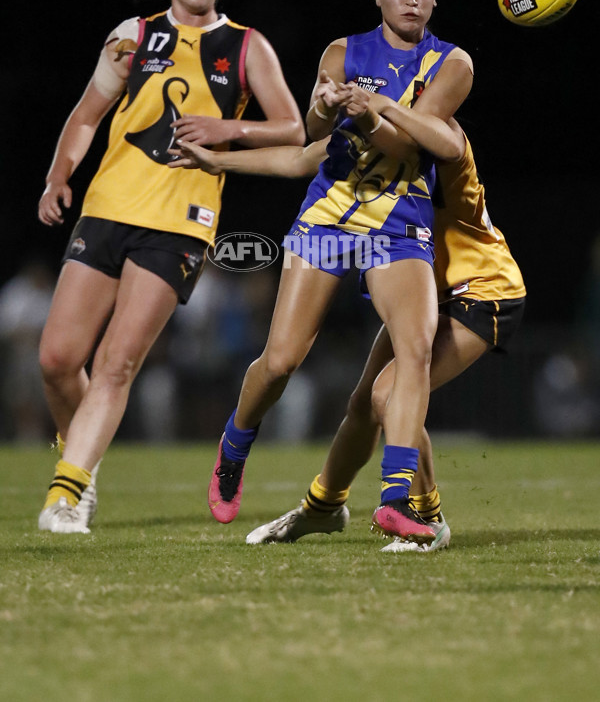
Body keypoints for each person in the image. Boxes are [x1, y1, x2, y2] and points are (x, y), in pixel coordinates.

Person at [174, 0, 475, 547]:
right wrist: (314, 109)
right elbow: (312, 143)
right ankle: (235, 444)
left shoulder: (453, 65)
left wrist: (368, 114)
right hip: (329, 222)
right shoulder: (341, 53)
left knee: (413, 349)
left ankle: (397, 501)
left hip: (399, 223)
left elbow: (409, 147)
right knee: (281, 360)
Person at [37, 0, 305, 534]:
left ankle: (67, 494)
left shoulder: (245, 46)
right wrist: (58, 177)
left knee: (115, 364)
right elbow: (85, 116)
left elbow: (294, 129)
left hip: (180, 223)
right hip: (106, 207)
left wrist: (227, 129)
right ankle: (83, 460)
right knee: (56, 359)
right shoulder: (132, 36)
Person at [172, 98, 526, 551]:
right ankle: (323, 506)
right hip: (428, 287)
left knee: (387, 394)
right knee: (362, 404)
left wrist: (376, 111)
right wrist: (217, 159)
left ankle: (427, 515)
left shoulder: (439, 136)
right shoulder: (371, 132)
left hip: (482, 292)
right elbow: (302, 156)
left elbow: (439, 144)